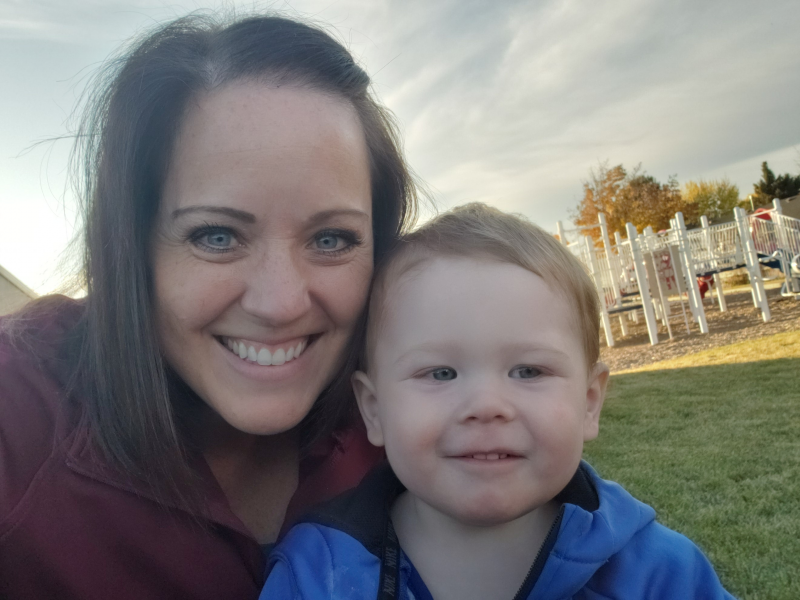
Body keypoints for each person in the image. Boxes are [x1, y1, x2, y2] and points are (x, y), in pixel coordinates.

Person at [0, 13, 417, 599]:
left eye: (331, 240)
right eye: (216, 236)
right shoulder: (17, 417)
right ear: (132, 246)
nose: (279, 304)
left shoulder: (424, 406)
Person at [261, 203, 735, 599]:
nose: (487, 405)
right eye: (440, 373)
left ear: (589, 402)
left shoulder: (661, 576)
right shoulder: (314, 577)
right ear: (373, 408)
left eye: (528, 371)